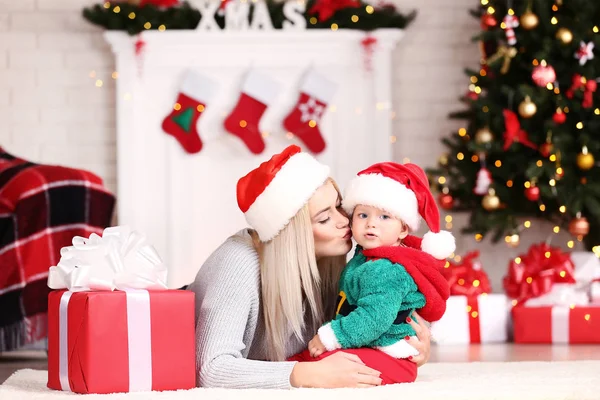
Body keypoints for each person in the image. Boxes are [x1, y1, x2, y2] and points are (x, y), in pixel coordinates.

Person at [187, 145, 432, 389]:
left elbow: (362, 321)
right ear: (291, 236)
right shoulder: (238, 263)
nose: (344, 221)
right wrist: (304, 375)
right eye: (324, 218)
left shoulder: (335, 262)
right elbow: (210, 369)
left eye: (339, 206)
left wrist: (406, 345)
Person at [298, 162, 453, 384]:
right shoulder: (365, 257)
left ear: (403, 229)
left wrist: (331, 336)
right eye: (362, 215)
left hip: (390, 353)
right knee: (316, 360)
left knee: (326, 361)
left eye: (384, 217)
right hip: (373, 344)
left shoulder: (386, 269)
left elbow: (374, 319)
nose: (371, 224)